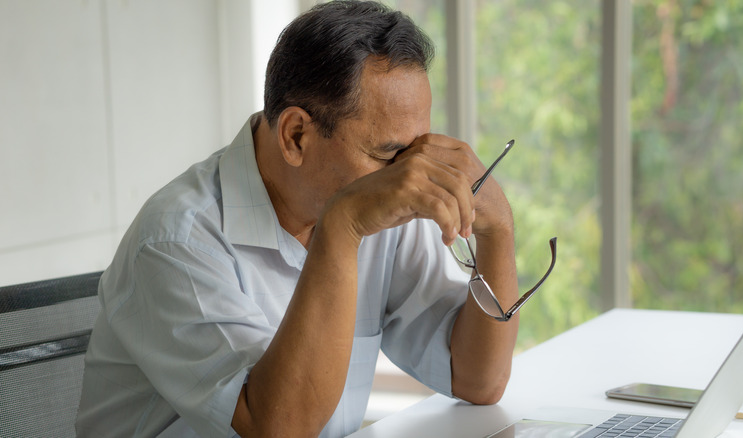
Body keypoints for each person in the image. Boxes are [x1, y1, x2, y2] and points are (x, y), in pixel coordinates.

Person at [76, 1, 520, 436]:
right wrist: (342, 229)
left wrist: (497, 232)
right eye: (388, 153)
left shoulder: (382, 210)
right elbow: (280, 430)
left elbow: (479, 380)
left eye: (416, 149)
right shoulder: (177, 241)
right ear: (296, 135)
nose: (410, 174)